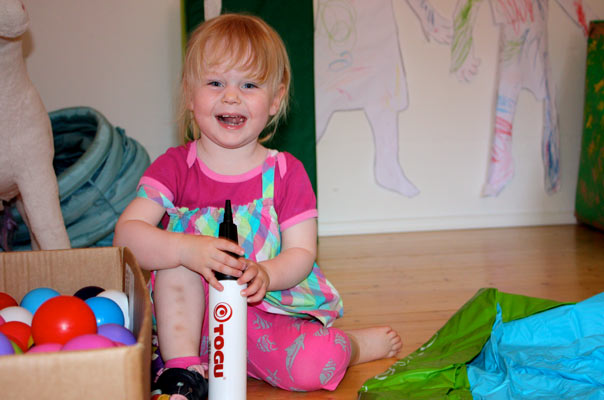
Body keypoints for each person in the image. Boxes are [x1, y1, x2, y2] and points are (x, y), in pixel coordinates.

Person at [113, 13, 402, 398]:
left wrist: (266, 273)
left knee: (319, 361)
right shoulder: (174, 167)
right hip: (186, 331)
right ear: (188, 93)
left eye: (248, 85)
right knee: (174, 262)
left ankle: (354, 346)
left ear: (275, 100)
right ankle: (183, 373)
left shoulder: (285, 172)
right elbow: (127, 235)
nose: (230, 96)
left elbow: (302, 252)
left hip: (264, 319)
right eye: (215, 83)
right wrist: (184, 248)